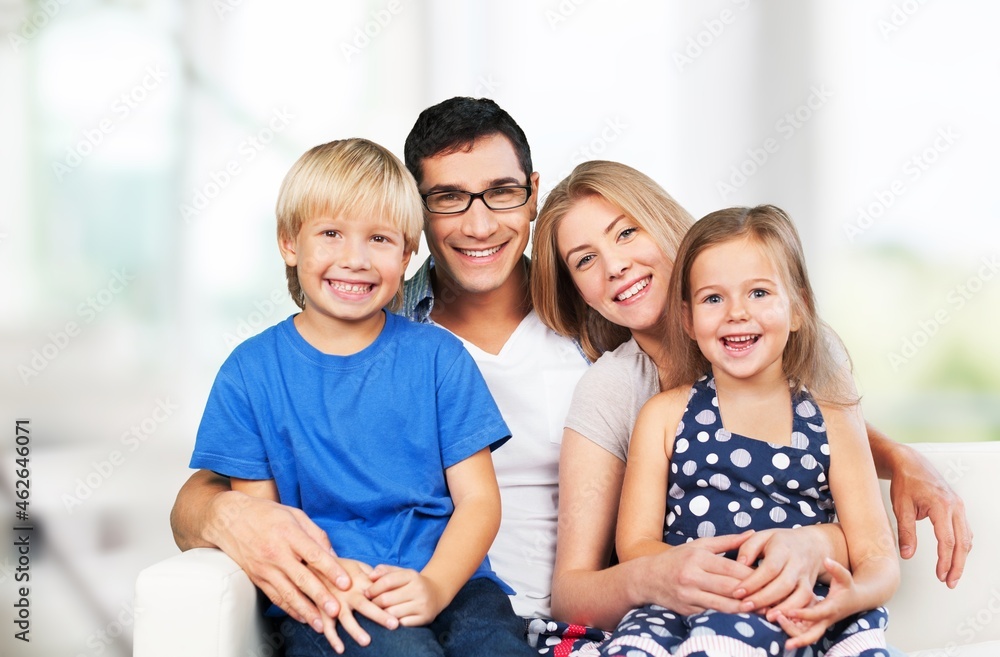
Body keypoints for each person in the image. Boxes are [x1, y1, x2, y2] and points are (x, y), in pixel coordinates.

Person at [170, 100, 969, 652]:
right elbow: (213, 487)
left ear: (530, 198)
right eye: (448, 200)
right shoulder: (383, 326)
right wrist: (227, 518)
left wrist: (889, 454)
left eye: (501, 194)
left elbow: (753, 391)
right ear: (417, 221)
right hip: (431, 603)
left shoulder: (597, 328)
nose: (478, 222)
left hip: (514, 618)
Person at [530, 160, 970, 654]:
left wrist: (891, 462)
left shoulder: (796, 356)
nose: (615, 266)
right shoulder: (617, 393)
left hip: (796, 602)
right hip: (684, 611)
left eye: (627, 232)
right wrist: (659, 575)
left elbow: (841, 462)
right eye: (584, 260)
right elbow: (574, 589)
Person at [188, 137, 535, 656]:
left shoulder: (440, 358)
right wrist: (335, 579)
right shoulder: (250, 372)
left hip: (455, 584)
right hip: (328, 591)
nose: (355, 259)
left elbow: (479, 501)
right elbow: (265, 523)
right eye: (330, 233)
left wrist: (437, 584)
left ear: (407, 253)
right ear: (289, 242)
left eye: (379, 238)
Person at [600, 204, 898, 656]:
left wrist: (851, 598)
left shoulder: (834, 418)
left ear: (797, 309)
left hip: (798, 602)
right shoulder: (663, 416)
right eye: (713, 298)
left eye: (759, 293)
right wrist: (707, 575)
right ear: (688, 318)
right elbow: (635, 545)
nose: (736, 313)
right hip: (689, 603)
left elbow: (877, 556)